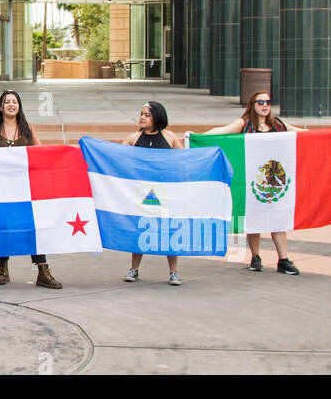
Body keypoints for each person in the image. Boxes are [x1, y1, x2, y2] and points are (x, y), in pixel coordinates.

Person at [199, 90, 305, 276]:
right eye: (260, 102)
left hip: (275, 181)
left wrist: (327, 134)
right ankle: (255, 257)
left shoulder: (278, 124)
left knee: (278, 218)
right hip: (252, 181)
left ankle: (284, 259)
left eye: (268, 102)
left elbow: (301, 133)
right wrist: (199, 136)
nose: (265, 105)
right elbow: (221, 132)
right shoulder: (245, 123)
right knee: (254, 218)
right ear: (252, 105)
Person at [0, 90, 62, 290]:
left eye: (14, 101)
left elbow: (41, 152)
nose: (11, 104)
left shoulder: (27, 129)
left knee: (33, 227)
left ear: (19, 106)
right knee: (3, 227)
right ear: (0, 107)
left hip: (25, 189)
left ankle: (43, 270)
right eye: (7, 102)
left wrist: (65, 152)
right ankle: (3, 269)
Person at [120, 101, 186, 285]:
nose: (142, 117)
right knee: (140, 229)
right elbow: (115, 156)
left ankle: (174, 271)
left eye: (147, 115)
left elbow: (183, 162)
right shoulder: (133, 138)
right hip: (141, 194)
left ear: (157, 117)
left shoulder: (170, 137)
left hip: (166, 193)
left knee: (169, 230)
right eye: (141, 114)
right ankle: (134, 269)